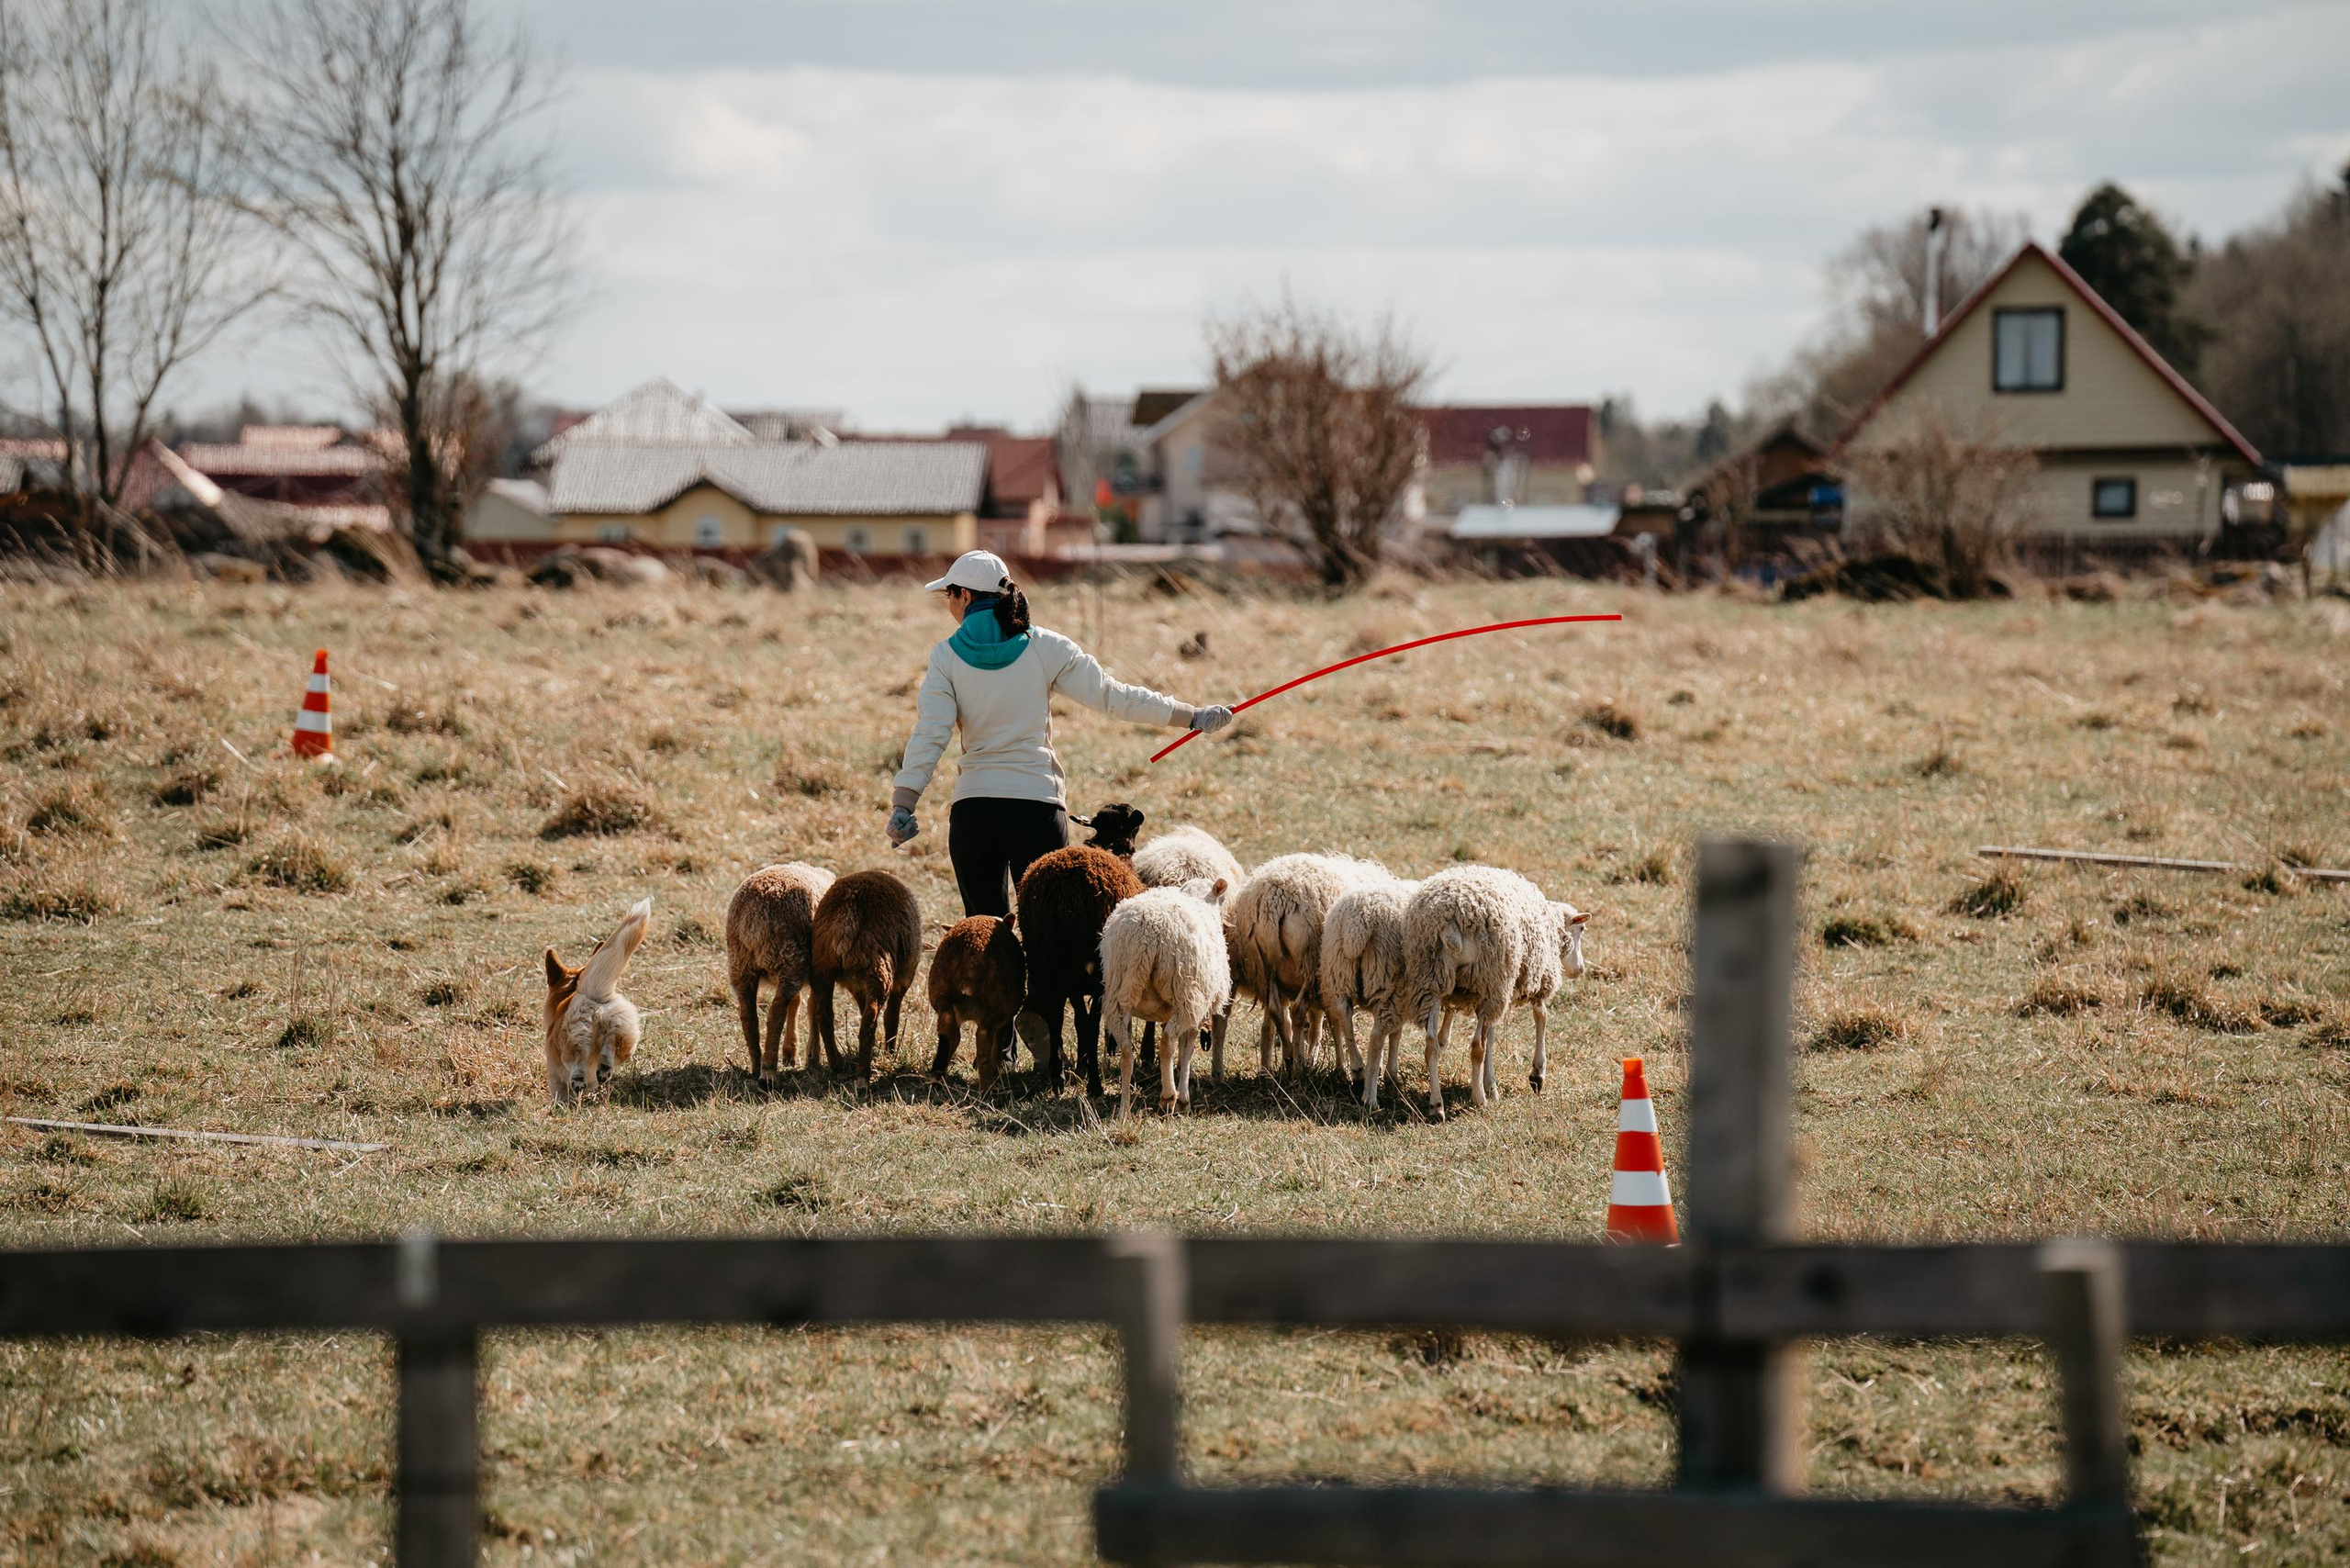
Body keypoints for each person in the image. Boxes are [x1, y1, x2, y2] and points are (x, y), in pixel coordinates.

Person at [889, 549, 1232, 918]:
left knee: (986, 936)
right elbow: (1113, 696)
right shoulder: (1047, 647)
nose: (948, 605)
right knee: (1047, 941)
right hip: (1037, 813)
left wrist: (904, 803)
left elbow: (930, 733)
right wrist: (1191, 716)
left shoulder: (945, 657)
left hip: (975, 816)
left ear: (966, 596)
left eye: (949, 595)